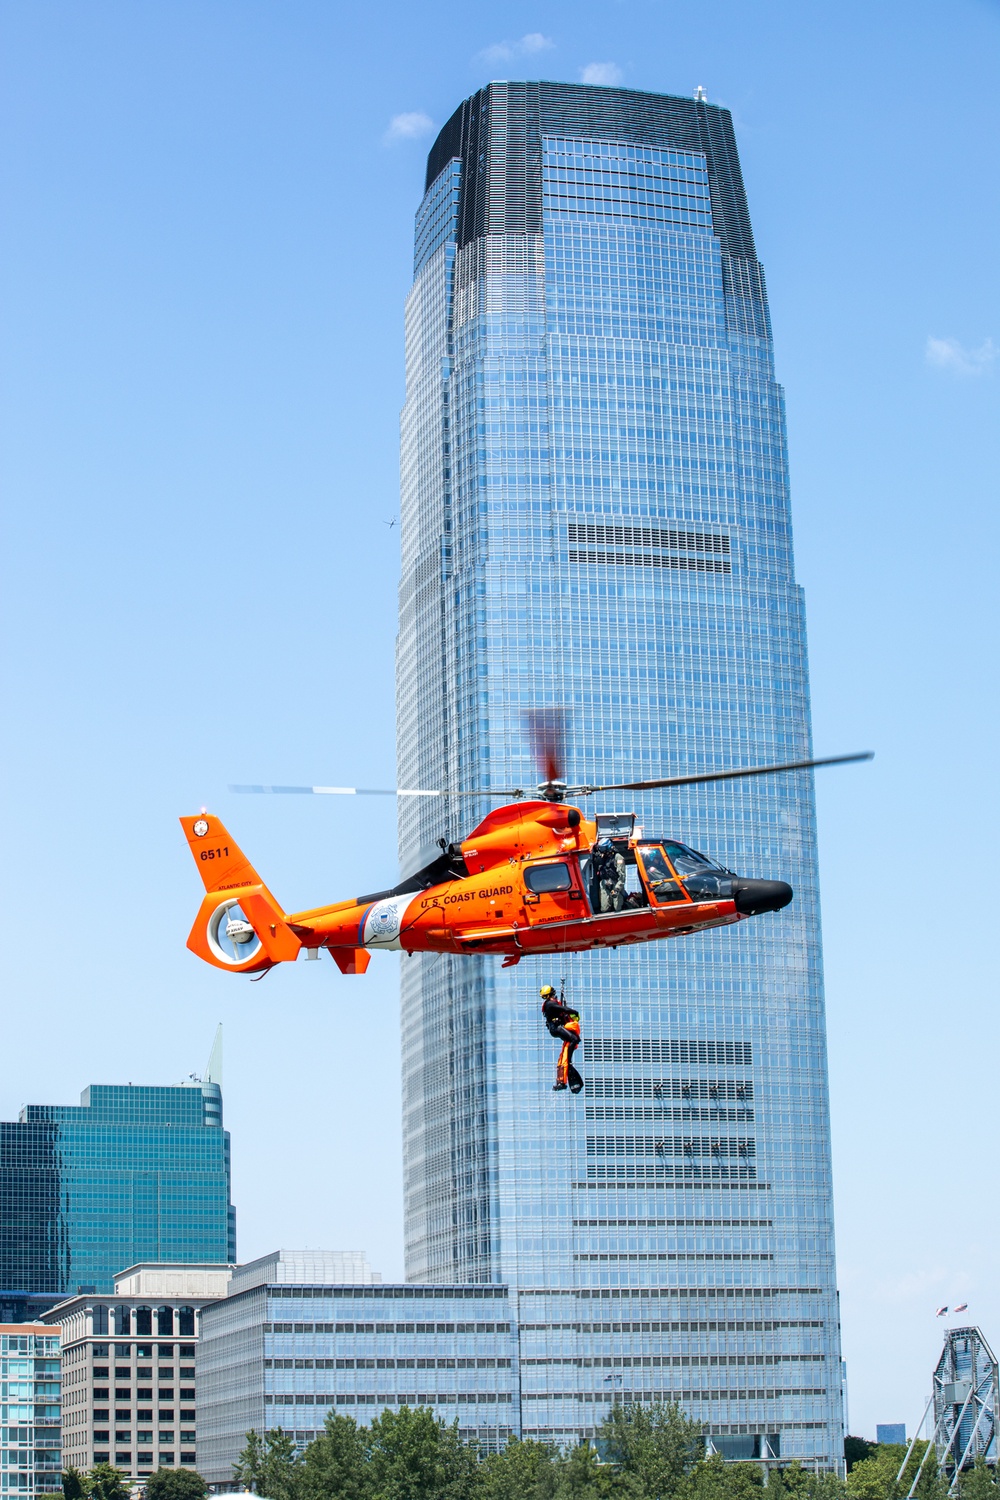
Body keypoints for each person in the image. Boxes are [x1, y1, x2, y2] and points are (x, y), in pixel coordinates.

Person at [540, 983, 583, 1094]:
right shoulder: (549, 1004)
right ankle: (568, 1061)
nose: (555, 996)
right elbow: (563, 1008)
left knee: (572, 1040)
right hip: (556, 1028)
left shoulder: (550, 1004)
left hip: (557, 1027)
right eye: (553, 994)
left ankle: (562, 1080)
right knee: (574, 1039)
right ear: (550, 995)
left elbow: (562, 1010)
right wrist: (574, 1012)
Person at [593, 837, 626, 912]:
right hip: (604, 884)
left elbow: (622, 876)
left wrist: (617, 889)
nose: (602, 851)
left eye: (603, 849)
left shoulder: (618, 857)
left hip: (615, 884)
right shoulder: (602, 858)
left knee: (618, 908)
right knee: (604, 909)